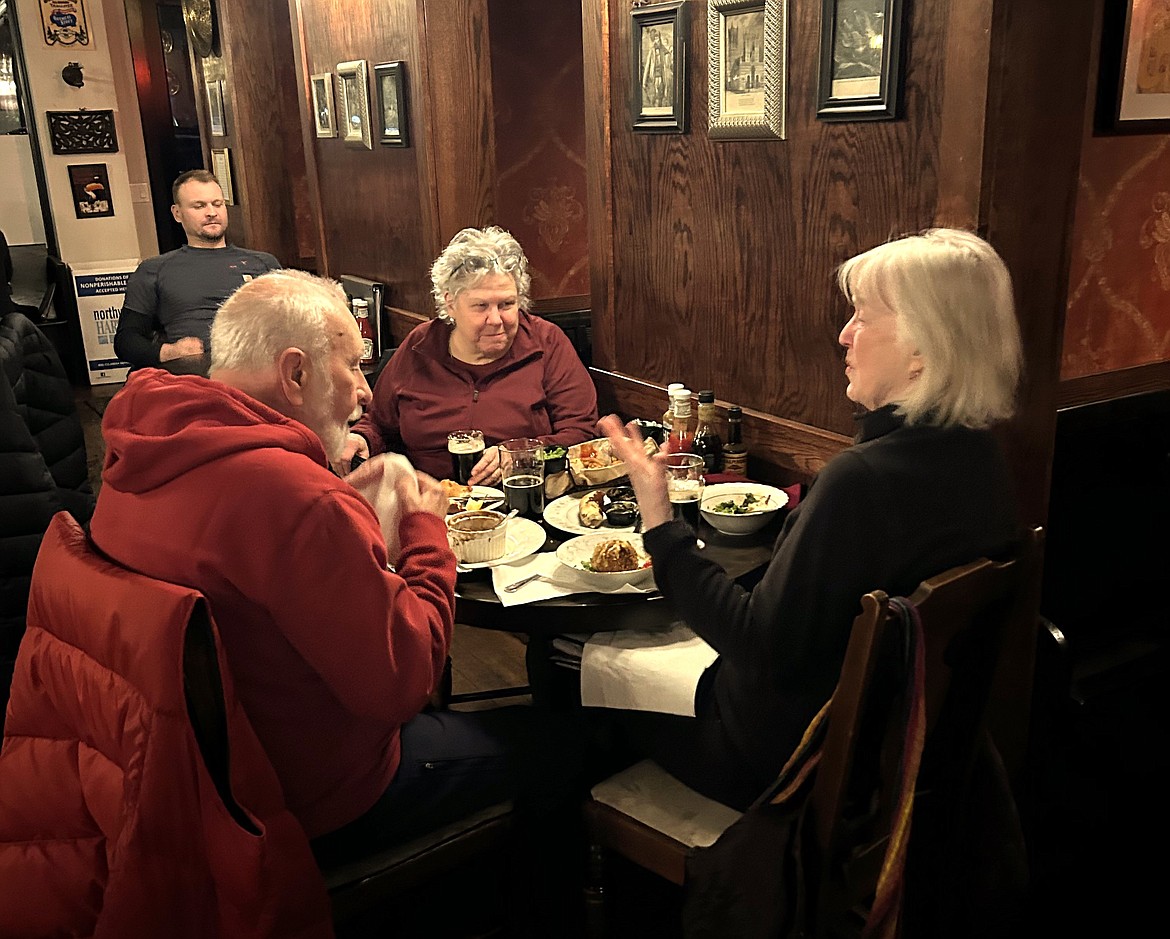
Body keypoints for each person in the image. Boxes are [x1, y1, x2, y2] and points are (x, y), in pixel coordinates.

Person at [88, 270, 585, 927]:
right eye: (352, 366)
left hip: (182, 782)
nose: (363, 390)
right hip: (314, 795)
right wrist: (423, 527)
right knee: (566, 746)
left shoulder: (145, 451)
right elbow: (406, 682)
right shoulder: (290, 493)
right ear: (294, 374)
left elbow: (247, 562)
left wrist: (346, 506)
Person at [594, 227, 1025, 811]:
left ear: (924, 348)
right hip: (897, 754)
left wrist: (658, 515)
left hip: (791, 766)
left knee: (579, 683)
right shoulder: (981, 456)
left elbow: (757, 645)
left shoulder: (864, 480)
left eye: (863, 317)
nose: (844, 335)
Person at [342, 225, 598, 484]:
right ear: (450, 303)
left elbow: (581, 431)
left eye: (507, 304)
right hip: (431, 500)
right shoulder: (420, 346)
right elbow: (378, 423)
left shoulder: (546, 342)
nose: (496, 319)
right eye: (481, 306)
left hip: (522, 501)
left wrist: (521, 454)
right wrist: (361, 438)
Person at [113, 169, 281, 375]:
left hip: (258, 372)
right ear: (177, 213)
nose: (211, 212)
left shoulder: (263, 263)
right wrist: (169, 352)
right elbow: (126, 341)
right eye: (199, 206)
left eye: (217, 204)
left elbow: (292, 323)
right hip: (195, 378)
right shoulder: (155, 269)